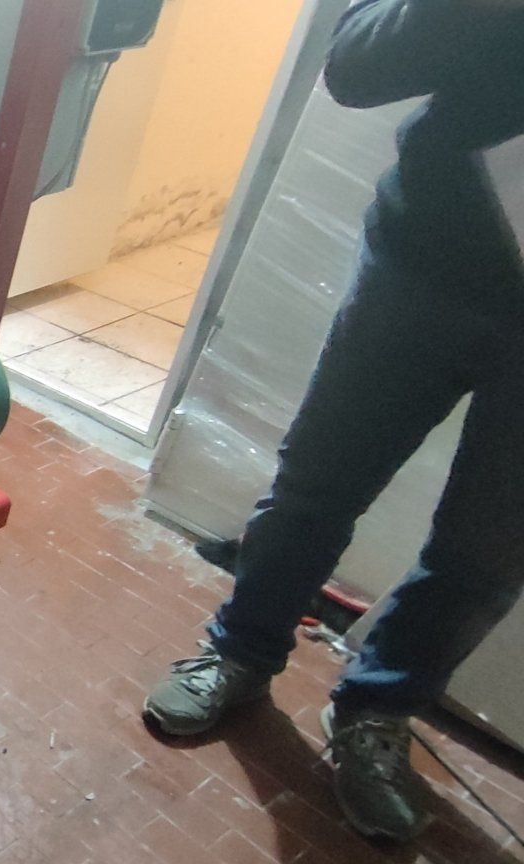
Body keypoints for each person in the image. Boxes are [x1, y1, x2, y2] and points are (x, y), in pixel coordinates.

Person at [142, 0, 524, 843]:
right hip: (427, 266)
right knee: (318, 484)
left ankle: (375, 712)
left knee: (488, 552)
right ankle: (242, 650)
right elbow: (355, 66)